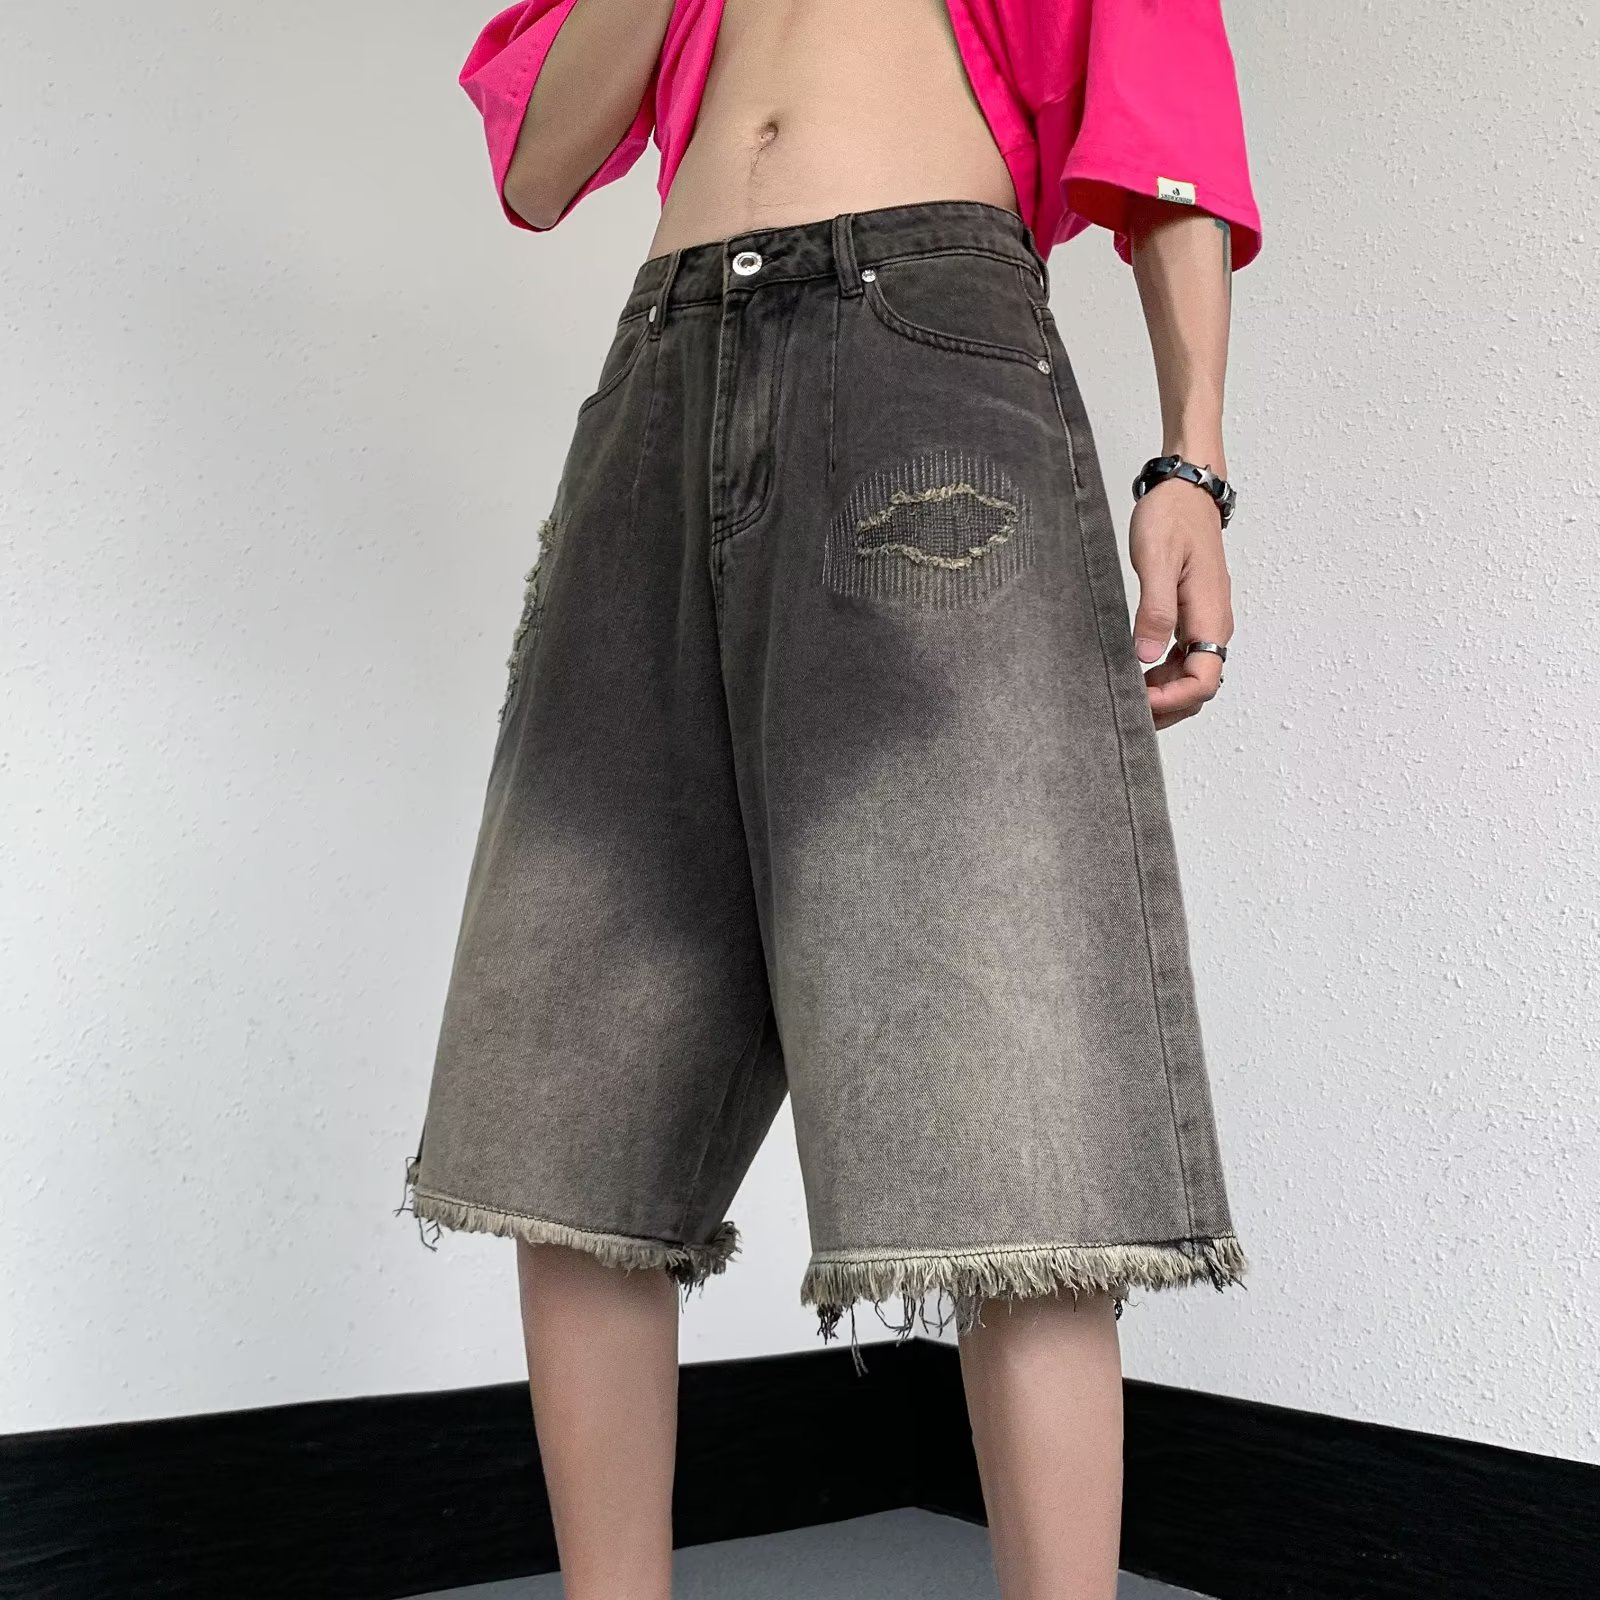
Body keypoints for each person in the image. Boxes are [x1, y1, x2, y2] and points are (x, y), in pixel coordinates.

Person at [399, 1, 1261, 1594]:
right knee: (573, 1080)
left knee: (1007, 1089)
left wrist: (1190, 461)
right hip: (664, 365)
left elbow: (1165, 96)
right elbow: (539, 163)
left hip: (922, 341)